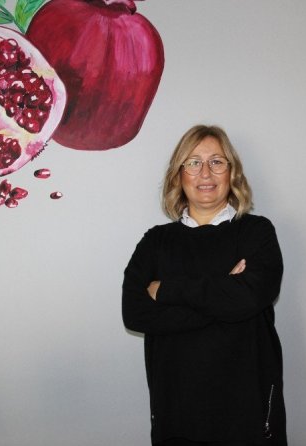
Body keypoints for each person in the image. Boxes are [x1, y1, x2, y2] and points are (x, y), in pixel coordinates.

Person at [122, 125, 287, 446]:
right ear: (179, 175)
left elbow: (251, 298)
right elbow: (135, 314)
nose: (206, 173)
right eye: (194, 163)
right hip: (177, 410)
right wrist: (226, 295)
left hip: (248, 409)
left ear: (232, 172)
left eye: (217, 162)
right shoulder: (156, 242)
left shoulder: (256, 233)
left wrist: (166, 291)